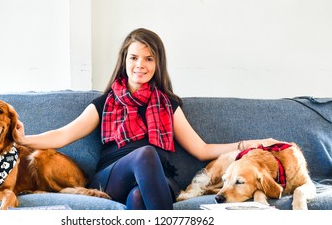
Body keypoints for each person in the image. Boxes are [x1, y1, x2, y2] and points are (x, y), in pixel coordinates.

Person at [15, 28, 273, 210]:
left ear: (157, 63)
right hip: (113, 177)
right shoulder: (105, 103)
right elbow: (63, 135)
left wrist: (247, 145)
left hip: (160, 179)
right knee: (145, 153)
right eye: (134, 58)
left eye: (149, 59)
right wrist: (24, 139)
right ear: (124, 61)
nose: (141, 64)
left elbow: (201, 149)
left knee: (139, 199)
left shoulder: (168, 104)